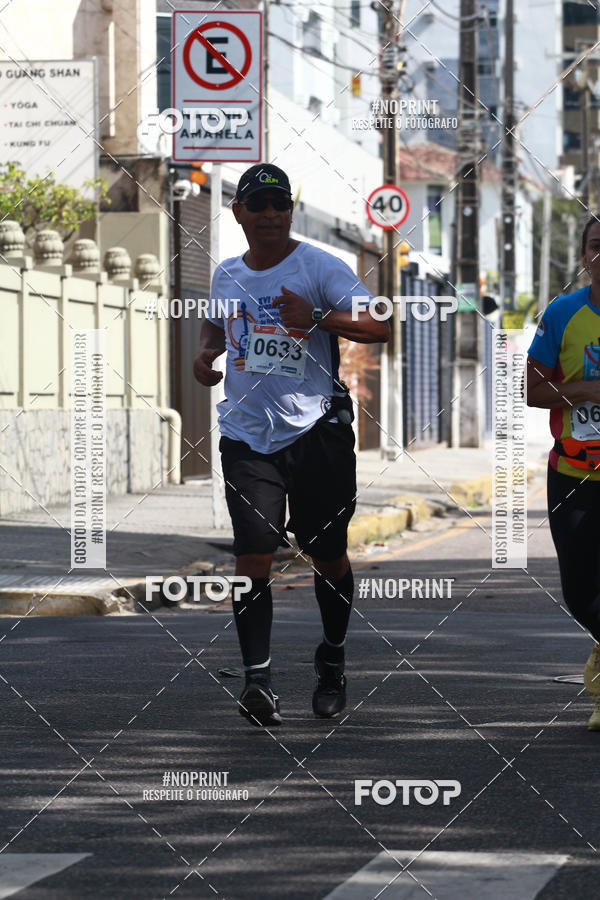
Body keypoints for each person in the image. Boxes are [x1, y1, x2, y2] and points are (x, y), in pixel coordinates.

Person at [193, 163, 389, 727]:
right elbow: (214, 327)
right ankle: (258, 682)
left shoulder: (322, 266)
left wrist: (319, 317)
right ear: (240, 214)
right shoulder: (227, 274)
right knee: (253, 552)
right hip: (247, 435)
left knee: (326, 555)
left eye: (281, 204)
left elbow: (379, 325)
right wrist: (205, 355)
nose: (272, 214)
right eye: (260, 205)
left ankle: (331, 658)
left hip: (315, 432)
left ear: (290, 212)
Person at [527, 213, 600, 731]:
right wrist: (587, 391)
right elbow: (530, 389)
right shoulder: (564, 312)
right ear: (583, 256)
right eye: (597, 246)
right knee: (579, 590)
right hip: (574, 474)